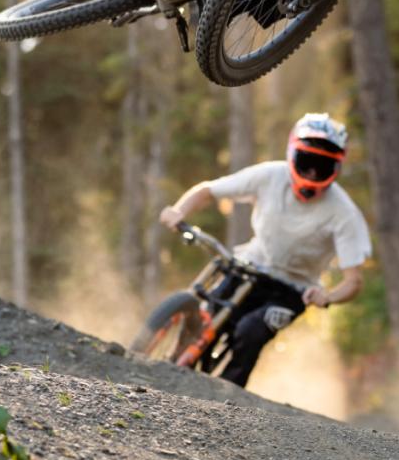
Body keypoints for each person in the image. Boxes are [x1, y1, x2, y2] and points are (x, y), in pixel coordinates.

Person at [156, 113, 370, 388]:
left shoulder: (345, 213)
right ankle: (163, 371)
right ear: (293, 154)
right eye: (307, 162)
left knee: (250, 332)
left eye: (323, 165)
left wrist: (327, 296)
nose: (313, 172)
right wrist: (178, 211)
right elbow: (209, 190)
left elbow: (354, 281)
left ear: (336, 168)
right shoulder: (270, 175)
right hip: (248, 266)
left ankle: (224, 399)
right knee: (204, 316)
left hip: (292, 290)